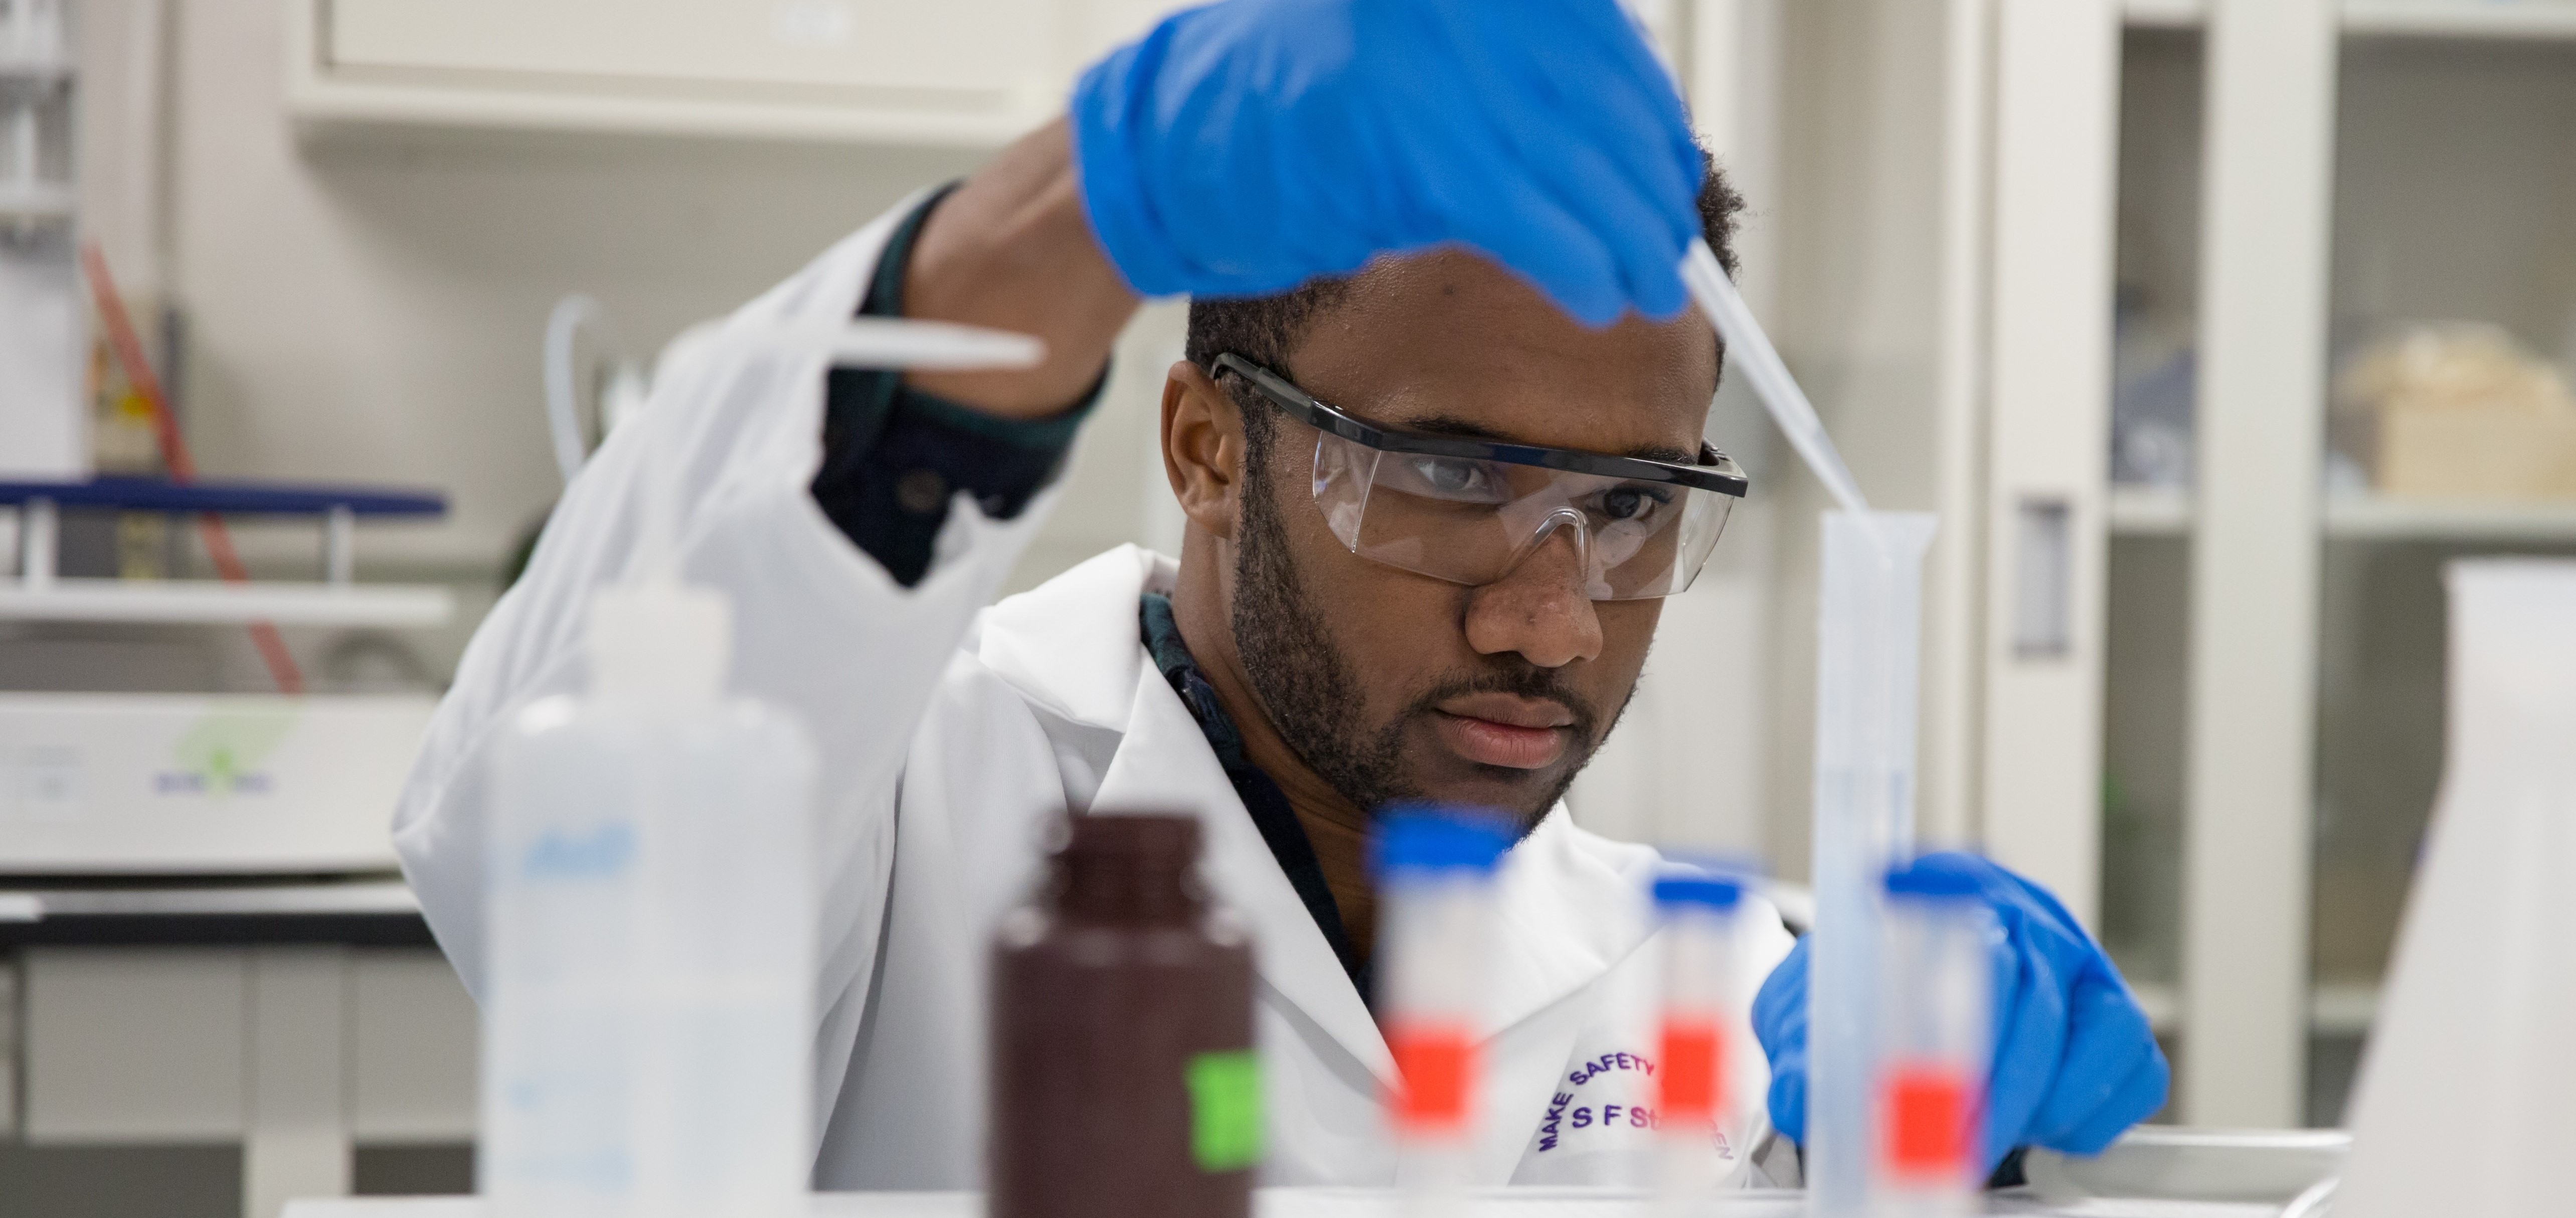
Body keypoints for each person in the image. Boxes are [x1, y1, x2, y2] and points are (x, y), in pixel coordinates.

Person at [394, 0, 2165, 1190]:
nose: (1551, 622)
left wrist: (1978, 1130)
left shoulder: (1721, 981)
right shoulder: (909, 803)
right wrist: (1096, 193)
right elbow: (510, 843)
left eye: (1630, 505)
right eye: (1454, 475)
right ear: (1205, 446)